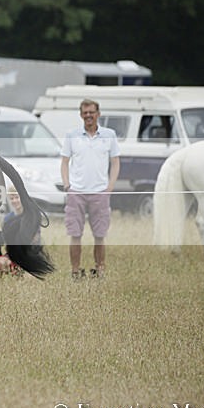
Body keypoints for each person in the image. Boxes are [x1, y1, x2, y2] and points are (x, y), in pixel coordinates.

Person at [60, 99, 120, 279]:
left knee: (100, 235)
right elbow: (64, 162)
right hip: (76, 192)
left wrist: (110, 186)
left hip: (100, 192)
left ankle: (100, 269)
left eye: (91, 112)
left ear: (98, 114)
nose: (88, 116)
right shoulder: (72, 135)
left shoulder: (109, 135)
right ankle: (75, 271)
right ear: (81, 115)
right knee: (75, 234)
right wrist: (67, 185)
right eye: (85, 113)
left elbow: (115, 162)